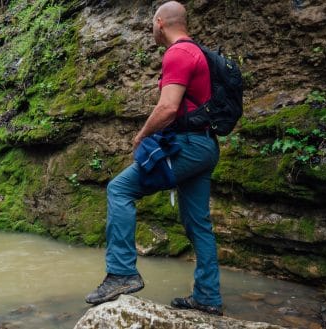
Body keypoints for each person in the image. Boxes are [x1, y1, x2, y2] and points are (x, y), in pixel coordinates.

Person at [84, 1, 223, 316]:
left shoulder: (177, 53)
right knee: (198, 223)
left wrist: (141, 136)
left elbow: (168, 108)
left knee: (119, 189)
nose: (151, 28)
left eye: (151, 23)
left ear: (160, 22)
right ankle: (208, 297)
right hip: (205, 146)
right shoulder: (197, 52)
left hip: (186, 146)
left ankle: (121, 273)